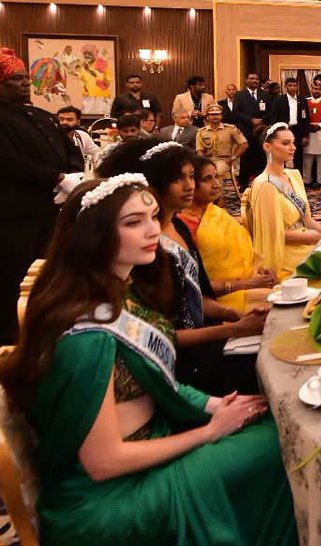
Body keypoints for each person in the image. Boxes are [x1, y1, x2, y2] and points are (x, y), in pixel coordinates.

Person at [0, 176, 298, 546]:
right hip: (109, 499)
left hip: (151, 445)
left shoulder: (118, 294)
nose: (152, 230)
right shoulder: (85, 337)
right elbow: (103, 461)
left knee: (276, 424)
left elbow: (159, 385)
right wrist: (209, 430)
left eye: (152, 216)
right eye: (132, 222)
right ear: (93, 236)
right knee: (278, 447)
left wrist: (219, 404)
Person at [97, 139, 268, 394]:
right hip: (181, 364)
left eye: (191, 176)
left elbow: (198, 296)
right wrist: (235, 328)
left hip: (207, 342)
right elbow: (160, 333)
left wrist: (239, 318)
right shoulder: (145, 251)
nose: (190, 186)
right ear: (153, 183)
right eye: (179, 179)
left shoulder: (178, 227)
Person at [0, 48, 84, 343]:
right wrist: (57, 178)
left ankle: (47, 331)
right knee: (15, 279)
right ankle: (13, 340)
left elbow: (71, 148)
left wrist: (74, 174)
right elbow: (8, 162)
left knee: (49, 274)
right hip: (14, 215)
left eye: (25, 78)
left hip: (52, 210)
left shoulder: (41, 114)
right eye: (16, 79)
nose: (25, 83)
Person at [178, 156, 275, 312]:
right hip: (217, 299)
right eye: (207, 179)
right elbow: (194, 287)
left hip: (246, 284)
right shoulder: (183, 225)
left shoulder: (215, 213)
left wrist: (257, 270)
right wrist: (247, 283)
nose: (217, 184)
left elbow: (242, 252)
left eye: (217, 177)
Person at [251, 123, 321, 277]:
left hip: (306, 241)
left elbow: (307, 219)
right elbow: (273, 234)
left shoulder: (293, 175)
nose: (293, 147)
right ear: (268, 147)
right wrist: (312, 238)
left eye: (293, 142)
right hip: (286, 255)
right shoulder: (264, 185)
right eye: (285, 143)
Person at [195, 104, 248, 190]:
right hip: (207, 160)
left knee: (215, 172)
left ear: (221, 116)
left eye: (217, 114)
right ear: (207, 117)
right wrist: (202, 163)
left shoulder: (230, 129)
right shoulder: (201, 132)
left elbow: (244, 144)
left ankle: (218, 197)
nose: (215, 116)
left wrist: (233, 157)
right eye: (212, 114)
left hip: (224, 160)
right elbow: (200, 151)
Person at [265, 77, 309, 171]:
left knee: (298, 156)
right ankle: (281, 175)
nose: (292, 87)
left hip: (298, 131)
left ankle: (298, 178)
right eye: (290, 85)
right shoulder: (279, 100)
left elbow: (306, 118)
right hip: (283, 130)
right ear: (285, 87)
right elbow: (274, 116)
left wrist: (305, 135)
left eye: (294, 85)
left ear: (297, 87)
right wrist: (276, 131)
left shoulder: (302, 100)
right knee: (282, 153)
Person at [57, 105, 101, 170]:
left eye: (69, 120)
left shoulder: (82, 135)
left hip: (79, 174)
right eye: (61, 119)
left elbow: (97, 153)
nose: (64, 122)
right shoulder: (50, 137)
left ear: (78, 122)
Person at [231, 73, 268, 141]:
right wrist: (251, 120)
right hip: (245, 129)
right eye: (252, 78)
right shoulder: (239, 95)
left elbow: (270, 110)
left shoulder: (265, 94)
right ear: (246, 80)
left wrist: (262, 120)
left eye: (257, 79)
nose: (255, 81)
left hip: (261, 130)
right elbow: (236, 112)